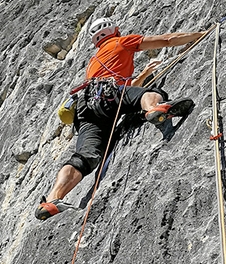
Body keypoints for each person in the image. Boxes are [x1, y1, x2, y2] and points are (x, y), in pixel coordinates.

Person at [35, 17, 206, 220]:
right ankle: (154, 109)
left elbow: (123, 88)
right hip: (110, 95)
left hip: (87, 108)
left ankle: (53, 200)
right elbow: (167, 40)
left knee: (85, 156)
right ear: (114, 30)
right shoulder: (121, 42)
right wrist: (200, 35)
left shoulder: (93, 61)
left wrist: (142, 74)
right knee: (149, 92)